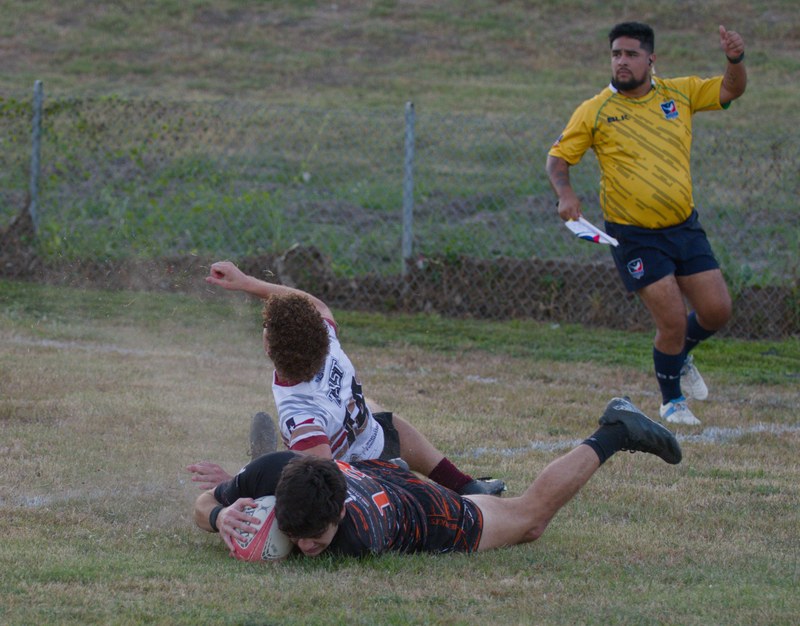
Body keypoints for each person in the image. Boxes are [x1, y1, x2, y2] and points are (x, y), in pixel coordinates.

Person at [546, 23, 747, 425]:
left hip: (683, 226)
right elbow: (558, 158)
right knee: (671, 320)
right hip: (633, 234)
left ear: (651, 59)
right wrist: (565, 194)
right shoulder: (596, 109)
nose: (621, 61)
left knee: (717, 311)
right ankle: (672, 403)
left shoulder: (679, 93)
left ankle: (679, 355)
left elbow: (731, 89)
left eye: (631, 54)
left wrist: (735, 59)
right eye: (616, 54)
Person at [193, 397, 682, 558]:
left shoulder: (359, 538)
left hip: (422, 510)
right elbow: (200, 505)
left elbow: (288, 556)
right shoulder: (281, 470)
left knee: (530, 521)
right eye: (295, 535)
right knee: (368, 427)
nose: (305, 547)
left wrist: (261, 544)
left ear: (339, 516)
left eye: (315, 539)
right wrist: (219, 516)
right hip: (368, 471)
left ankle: (615, 431)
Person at [187, 260, 505, 496]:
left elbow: (319, 479)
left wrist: (234, 483)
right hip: (374, 440)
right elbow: (314, 304)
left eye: (265, 327)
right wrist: (246, 282)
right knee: (388, 422)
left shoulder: (301, 414)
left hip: (356, 478)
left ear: (270, 348)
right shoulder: (326, 342)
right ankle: (465, 485)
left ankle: (396, 481)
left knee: (288, 492)